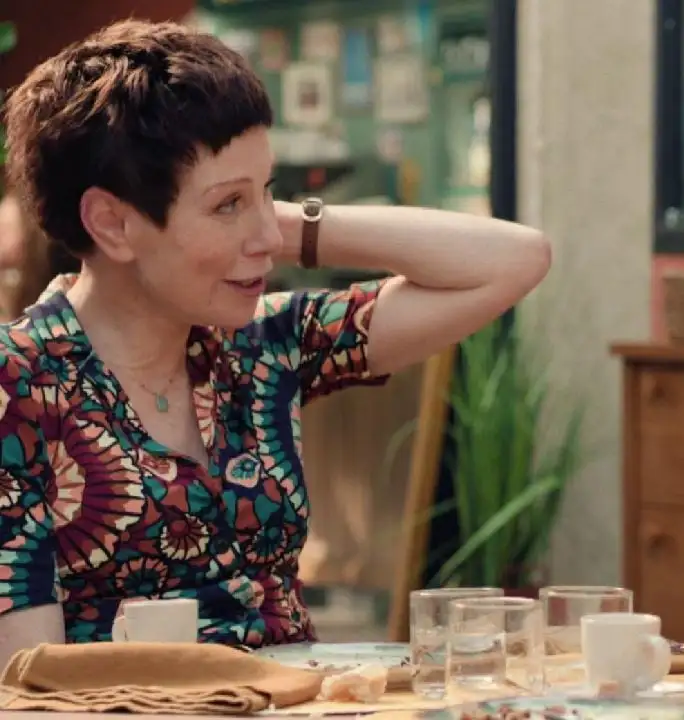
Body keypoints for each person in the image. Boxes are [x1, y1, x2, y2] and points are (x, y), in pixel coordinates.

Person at [0, 20, 550, 662]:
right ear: (112, 223)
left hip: (303, 698)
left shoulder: (263, 342)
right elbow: (30, 677)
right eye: (227, 205)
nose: (266, 237)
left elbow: (515, 260)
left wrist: (286, 225)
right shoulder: (19, 383)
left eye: (268, 191)